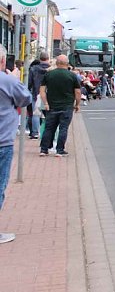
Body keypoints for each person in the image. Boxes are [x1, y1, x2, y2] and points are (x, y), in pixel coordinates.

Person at [0, 46, 33, 244]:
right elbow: (25, 99)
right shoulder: (8, 81)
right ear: (3, 61)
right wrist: (15, 78)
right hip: (2, 142)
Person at [39, 54, 81, 158]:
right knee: (63, 128)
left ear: (57, 63)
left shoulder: (49, 75)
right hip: (66, 106)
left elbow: (42, 91)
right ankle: (59, 150)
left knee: (49, 128)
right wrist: (77, 104)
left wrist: (46, 103)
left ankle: (44, 149)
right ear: (67, 63)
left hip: (52, 106)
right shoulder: (72, 76)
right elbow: (78, 92)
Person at [27, 53, 50, 138]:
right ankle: (47, 133)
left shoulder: (33, 69)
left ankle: (35, 133)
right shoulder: (51, 69)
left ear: (40, 59)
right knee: (49, 115)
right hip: (48, 95)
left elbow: (29, 83)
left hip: (35, 94)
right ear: (48, 58)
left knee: (35, 114)